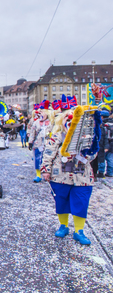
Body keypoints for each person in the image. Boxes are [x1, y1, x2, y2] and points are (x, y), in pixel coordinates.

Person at [41, 104, 101, 245]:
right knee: (61, 201)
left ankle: (79, 231)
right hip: (60, 175)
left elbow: (93, 154)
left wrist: (85, 155)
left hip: (82, 177)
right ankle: (64, 226)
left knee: (81, 201)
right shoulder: (57, 135)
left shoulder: (86, 137)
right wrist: (46, 170)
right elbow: (49, 153)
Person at [28, 100, 54, 183]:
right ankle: (38, 175)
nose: (40, 114)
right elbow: (33, 132)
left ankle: (47, 174)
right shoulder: (36, 122)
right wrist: (30, 142)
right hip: (38, 144)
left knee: (47, 159)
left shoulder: (51, 122)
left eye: (42, 112)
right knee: (37, 159)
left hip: (48, 144)